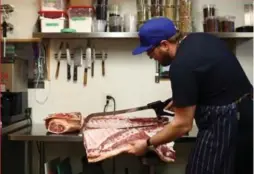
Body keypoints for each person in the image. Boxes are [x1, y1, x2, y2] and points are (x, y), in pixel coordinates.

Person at [128, 17, 253, 174]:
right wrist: (183, 98)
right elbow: (212, 77)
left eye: (150, 50)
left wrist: (146, 143)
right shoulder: (200, 39)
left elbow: (182, 125)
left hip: (225, 122)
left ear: (164, 45)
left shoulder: (181, 66)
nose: (149, 56)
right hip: (247, 113)